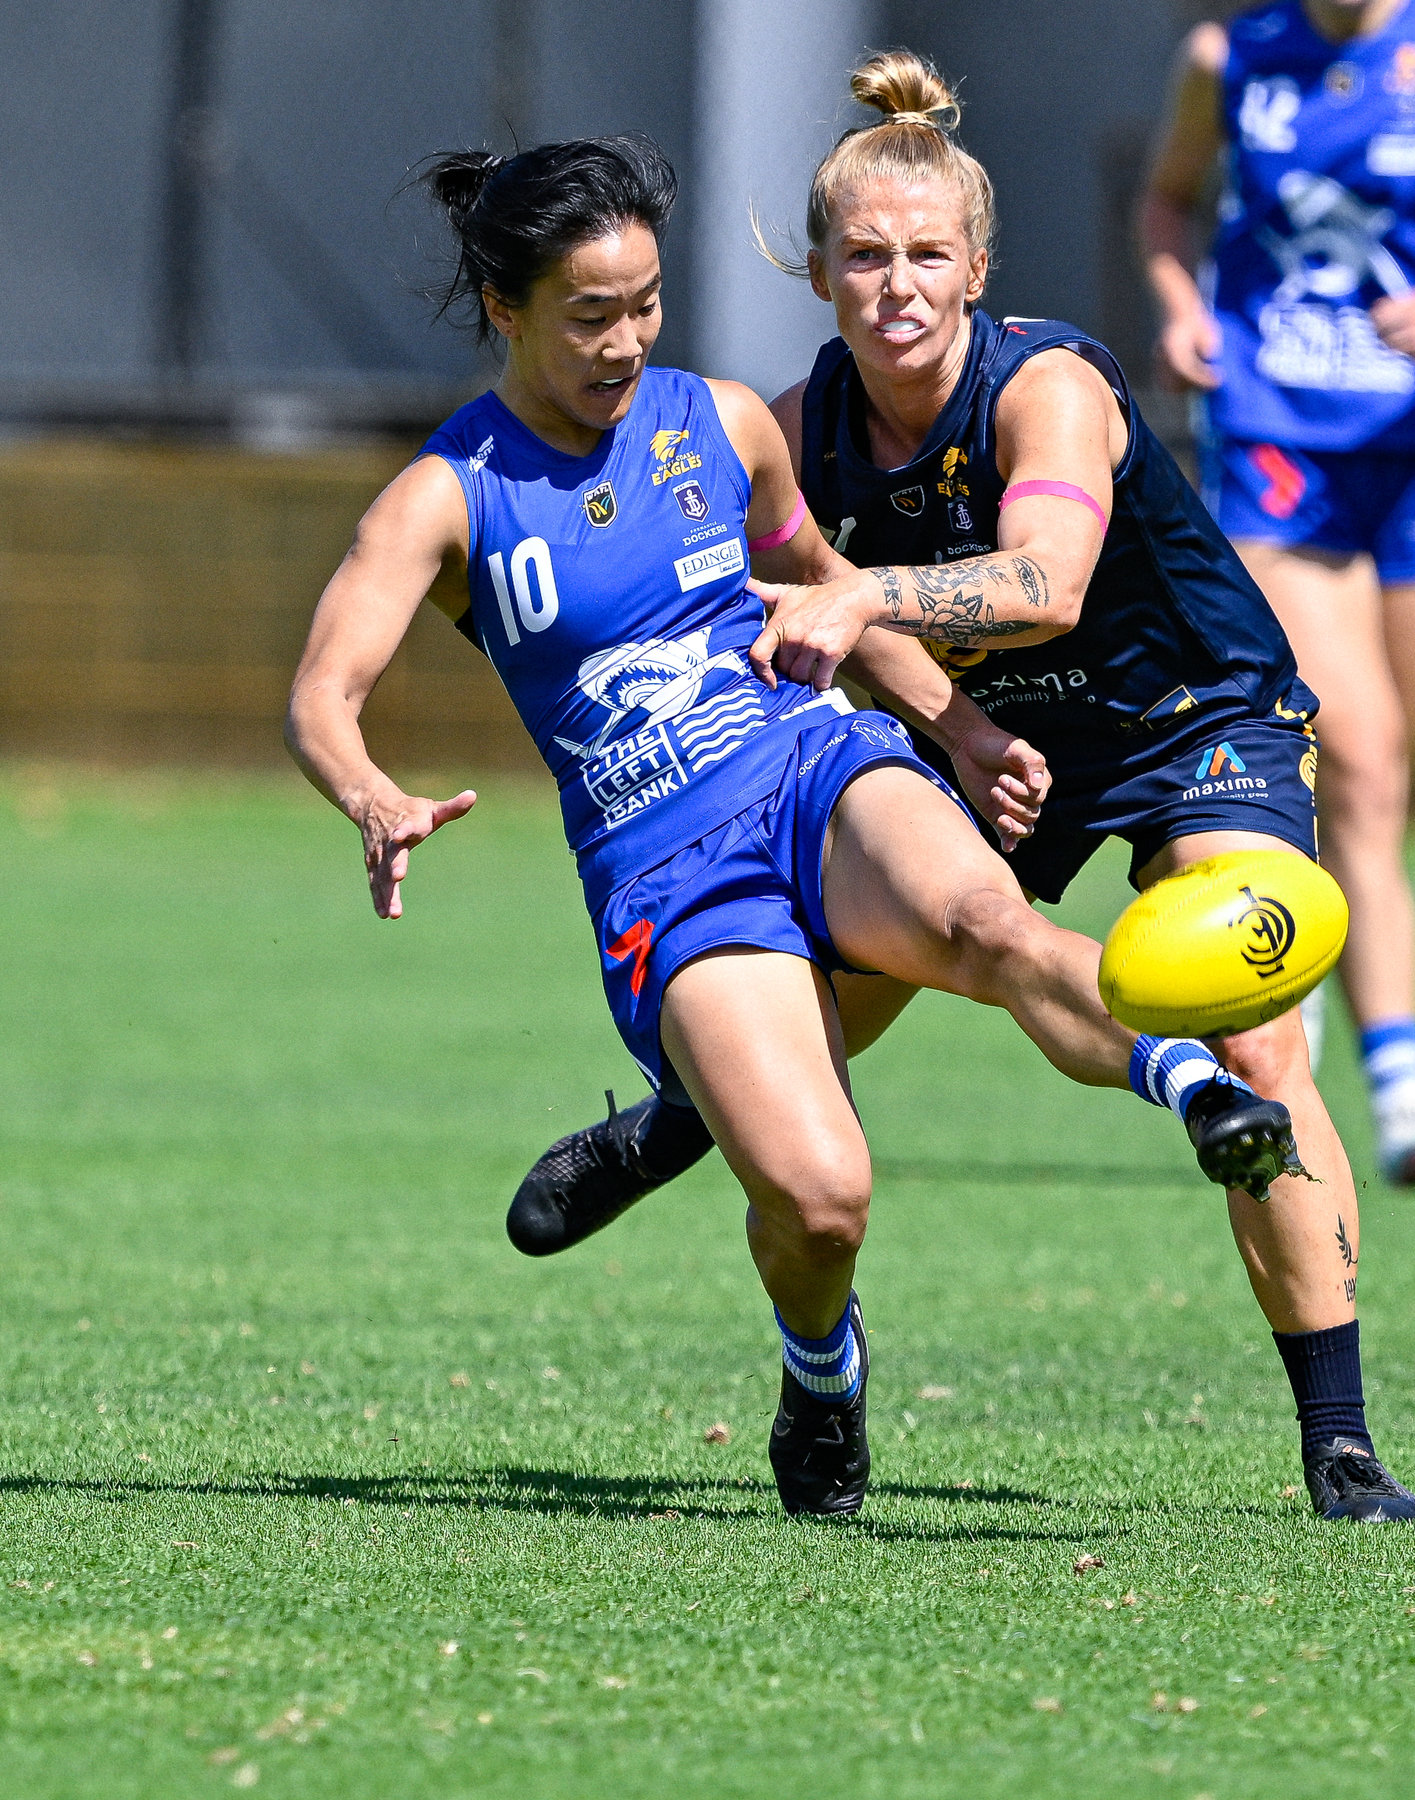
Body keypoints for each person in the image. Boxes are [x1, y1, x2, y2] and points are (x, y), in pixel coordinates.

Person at [285, 132, 1303, 1520]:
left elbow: (828, 583)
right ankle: (820, 1369)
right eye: (590, 316)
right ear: (506, 309)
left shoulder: (720, 424)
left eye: (646, 305)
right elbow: (322, 695)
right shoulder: (442, 495)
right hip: (663, 868)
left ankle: (1196, 1093)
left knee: (987, 922)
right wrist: (371, 793)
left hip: (811, 766)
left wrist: (960, 730)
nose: (625, 342)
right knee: (821, 1201)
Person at [509, 60, 1415, 1523]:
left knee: (1252, 1041)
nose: (896, 287)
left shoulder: (1044, 386)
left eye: (927, 255)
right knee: (813, 1020)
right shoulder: (793, 428)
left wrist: (861, 596)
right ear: (816, 271)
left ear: (978, 271)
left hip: (1193, 719)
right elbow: (727, 589)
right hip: (988, 737)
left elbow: (1045, 582)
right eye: (864, 256)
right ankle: (677, 1123)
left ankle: (1340, 1448)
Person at [1140, 0, 1415, 1181]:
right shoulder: (1225, 56)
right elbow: (1167, 202)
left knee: (1397, 764)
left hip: (1403, 447)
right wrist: (1180, 308)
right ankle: (1394, 1087)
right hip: (1275, 440)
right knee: (1355, 750)